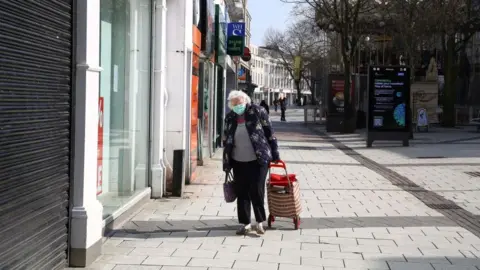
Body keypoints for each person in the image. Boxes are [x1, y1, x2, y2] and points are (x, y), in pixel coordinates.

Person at [223, 90, 280, 235]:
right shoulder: (230, 117)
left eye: (240, 102)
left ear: (246, 101)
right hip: (238, 160)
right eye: (234, 103)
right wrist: (226, 161)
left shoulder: (258, 111)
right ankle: (245, 223)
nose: (238, 105)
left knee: (257, 190)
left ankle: (260, 222)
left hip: (259, 159)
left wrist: (275, 153)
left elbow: (269, 132)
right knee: (242, 192)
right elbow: (226, 140)